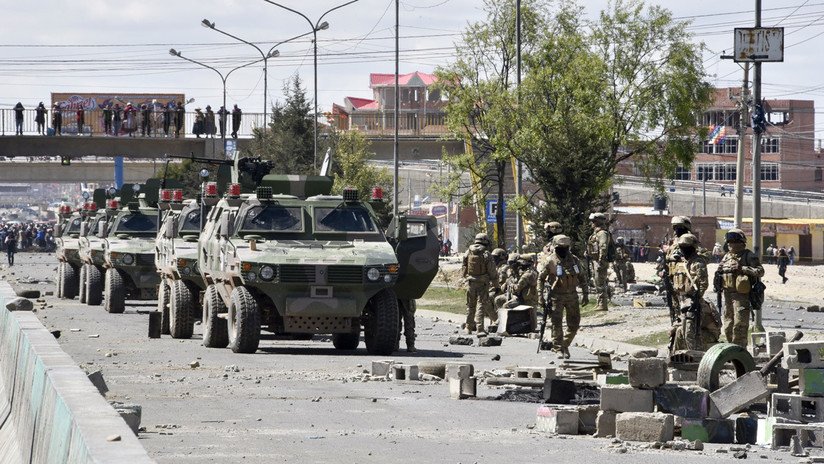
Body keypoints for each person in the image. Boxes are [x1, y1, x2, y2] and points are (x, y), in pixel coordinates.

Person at [538, 235, 588, 358]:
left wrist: (586, 294)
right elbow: (541, 279)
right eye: (560, 247)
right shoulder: (550, 261)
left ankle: (564, 344)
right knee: (556, 324)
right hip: (556, 296)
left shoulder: (574, 260)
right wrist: (540, 296)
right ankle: (558, 348)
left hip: (572, 296)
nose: (563, 249)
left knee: (574, 324)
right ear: (555, 247)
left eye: (566, 247)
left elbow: (582, 277)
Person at [668, 233, 720, 351]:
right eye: (682, 247)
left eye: (687, 247)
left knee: (690, 333)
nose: (684, 249)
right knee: (678, 331)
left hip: (693, 302)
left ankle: (694, 358)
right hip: (682, 301)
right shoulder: (680, 263)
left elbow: (703, 283)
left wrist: (697, 298)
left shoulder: (698, 263)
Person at [719, 228, 764, 348]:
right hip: (727, 295)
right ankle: (731, 349)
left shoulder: (749, 256)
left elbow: (760, 271)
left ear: (741, 242)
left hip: (742, 296)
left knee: (739, 325)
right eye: (729, 242)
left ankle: (740, 351)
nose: (731, 244)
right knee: (728, 325)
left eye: (734, 241)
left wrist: (743, 269)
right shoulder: (727, 257)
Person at [461, 233, 497, 334]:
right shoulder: (486, 253)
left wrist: (465, 277)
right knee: (481, 305)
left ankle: (468, 327)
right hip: (483, 283)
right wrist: (496, 284)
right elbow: (492, 271)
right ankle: (480, 328)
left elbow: (464, 267)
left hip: (471, 282)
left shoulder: (468, 252)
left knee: (470, 305)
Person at [587, 212, 613, 312]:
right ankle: (600, 303)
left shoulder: (602, 233)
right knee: (597, 282)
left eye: (593, 221)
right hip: (595, 260)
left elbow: (603, 247)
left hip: (599, 261)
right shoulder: (596, 233)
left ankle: (603, 304)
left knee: (600, 282)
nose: (592, 223)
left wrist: (601, 260)